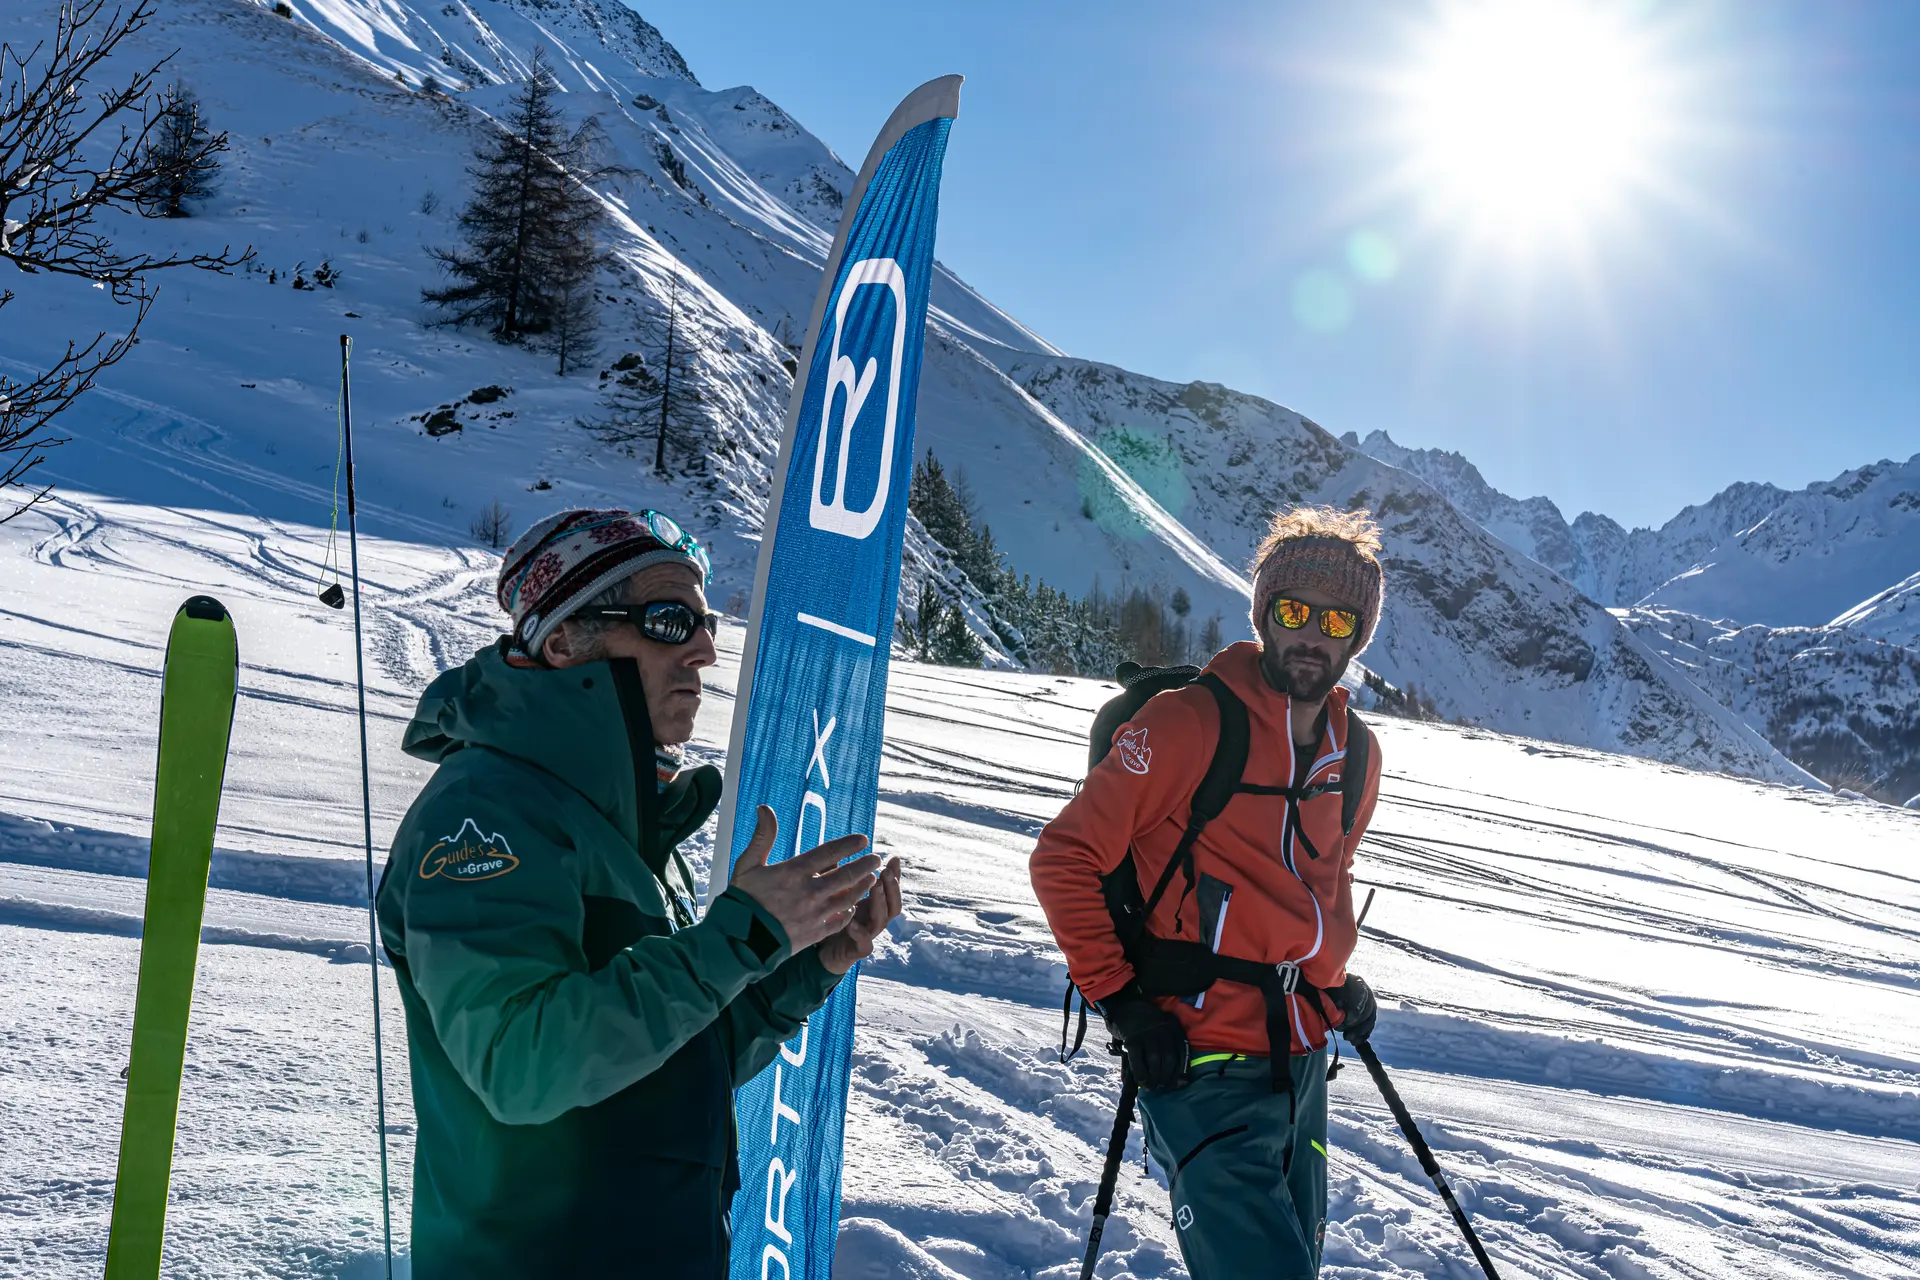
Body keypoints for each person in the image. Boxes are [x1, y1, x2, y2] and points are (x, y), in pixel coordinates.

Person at [376, 507, 903, 1279]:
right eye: (668, 621)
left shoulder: (618, 822)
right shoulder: (484, 816)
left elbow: (668, 1064)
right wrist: (739, 938)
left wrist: (799, 968)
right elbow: (522, 1064)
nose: (706, 650)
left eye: (705, 624)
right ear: (564, 642)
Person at [1029, 506, 1388, 1280]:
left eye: (1337, 620)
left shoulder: (1356, 754)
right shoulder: (1189, 723)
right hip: (1199, 1061)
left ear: (1357, 636)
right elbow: (1064, 858)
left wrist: (1333, 983)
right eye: (1293, 612)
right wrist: (1120, 1001)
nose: (1312, 635)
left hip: (1300, 1066)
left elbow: (1320, 889)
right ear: (1263, 615)